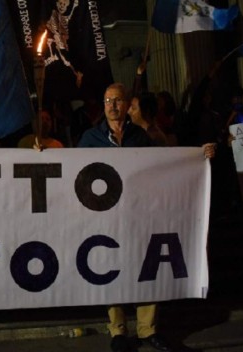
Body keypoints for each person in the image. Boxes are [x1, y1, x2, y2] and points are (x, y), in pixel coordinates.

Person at [78, 83, 214, 352]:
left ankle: (148, 329)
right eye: (107, 100)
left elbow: (164, 164)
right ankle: (118, 330)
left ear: (127, 104)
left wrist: (200, 154)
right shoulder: (90, 137)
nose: (112, 105)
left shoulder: (140, 136)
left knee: (146, 266)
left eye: (117, 100)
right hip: (105, 216)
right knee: (110, 268)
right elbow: (70, 166)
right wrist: (41, 152)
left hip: (139, 214)